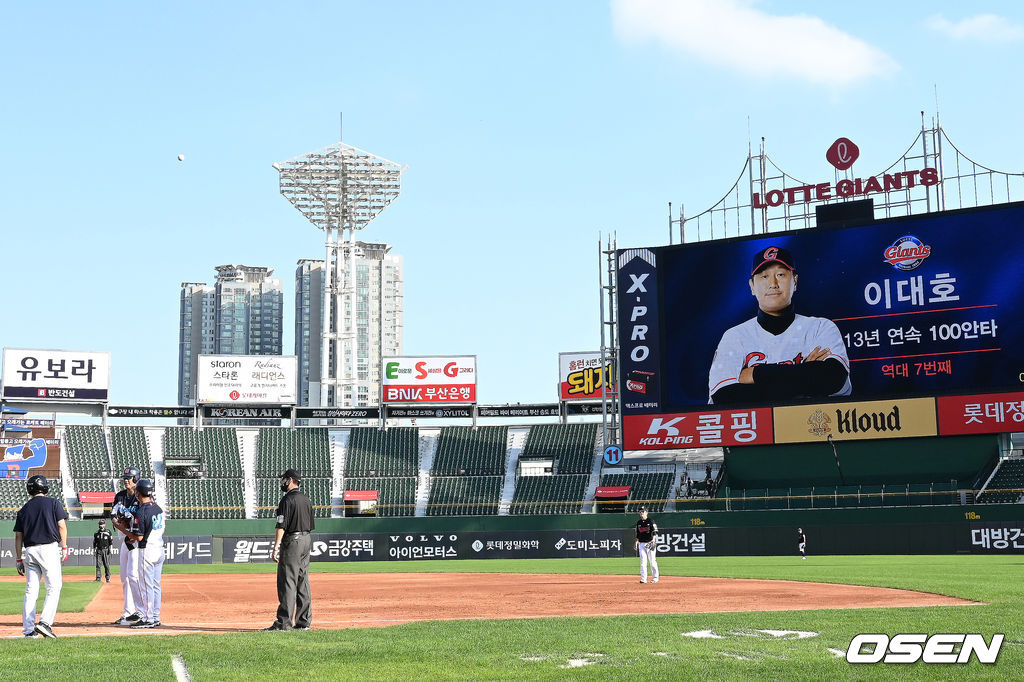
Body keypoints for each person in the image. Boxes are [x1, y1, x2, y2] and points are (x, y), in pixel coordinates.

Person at [709, 246, 851, 405]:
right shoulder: (735, 336)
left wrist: (756, 374)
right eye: (764, 276)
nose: (773, 283)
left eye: (780, 274)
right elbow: (724, 397)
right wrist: (805, 377)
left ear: (795, 281)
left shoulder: (820, 328)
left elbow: (832, 378)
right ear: (752, 286)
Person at [13, 474, 68, 638]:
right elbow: (62, 526)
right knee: (54, 587)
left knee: (31, 591)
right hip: (48, 549)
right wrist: (64, 546)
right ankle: (45, 623)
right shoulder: (53, 503)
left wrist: (18, 558)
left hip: (30, 551)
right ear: (44, 487)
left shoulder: (23, 509)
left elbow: (18, 536)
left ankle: (28, 630)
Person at [265, 469, 315, 631]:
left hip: (293, 541)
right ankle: (303, 622)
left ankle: (284, 623)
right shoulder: (306, 499)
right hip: (306, 539)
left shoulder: (287, 500)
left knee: (287, 581)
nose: (282, 482)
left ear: (291, 480)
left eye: (284, 479)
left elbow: (281, 525)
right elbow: (310, 524)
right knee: (302, 580)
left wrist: (276, 547)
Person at [125, 479, 165, 628]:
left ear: (138, 493)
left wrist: (122, 529)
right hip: (159, 547)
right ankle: (155, 616)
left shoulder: (141, 512)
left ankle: (149, 619)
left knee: (146, 585)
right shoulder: (158, 508)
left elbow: (139, 537)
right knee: (155, 585)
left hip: (147, 550)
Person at [110, 466, 144, 626]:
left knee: (133, 575)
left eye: (129, 478)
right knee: (124, 577)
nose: (126, 480)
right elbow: (113, 515)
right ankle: (128, 612)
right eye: (124, 478)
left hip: (136, 540)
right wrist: (117, 521)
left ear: (136, 479)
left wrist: (128, 520)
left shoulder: (140, 496)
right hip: (124, 539)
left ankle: (141, 610)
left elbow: (142, 517)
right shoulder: (120, 496)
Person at [633, 506, 659, 584]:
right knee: (643, 562)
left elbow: (655, 531)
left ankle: (655, 577)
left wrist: (653, 540)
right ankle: (643, 579)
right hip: (641, 543)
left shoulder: (650, 521)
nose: (641, 513)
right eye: (640, 512)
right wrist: (636, 542)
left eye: (643, 511)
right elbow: (638, 534)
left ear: (646, 512)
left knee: (652, 561)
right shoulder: (639, 522)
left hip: (650, 542)